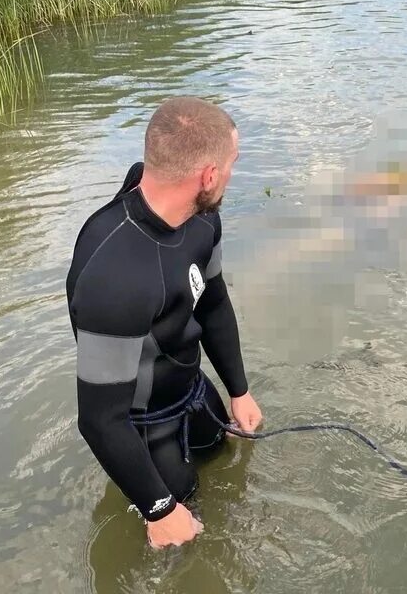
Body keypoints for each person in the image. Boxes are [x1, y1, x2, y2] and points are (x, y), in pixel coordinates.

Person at [65, 96, 262, 549]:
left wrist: (239, 390)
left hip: (194, 394)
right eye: (231, 164)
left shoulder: (202, 217)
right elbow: (99, 420)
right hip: (141, 428)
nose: (232, 174)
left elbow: (212, 302)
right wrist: (160, 509)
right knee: (181, 534)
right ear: (209, 175)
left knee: (226, 466)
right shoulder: (115, 276)